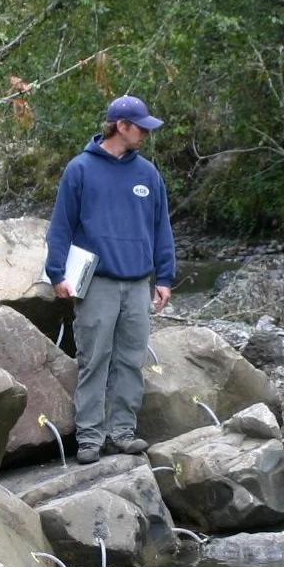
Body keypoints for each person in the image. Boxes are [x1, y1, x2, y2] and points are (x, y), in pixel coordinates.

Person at [43, 95, 176, 463]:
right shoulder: (80, 170)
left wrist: (164, 277)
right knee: (94, 358)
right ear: (121, 126)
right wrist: (56, 273)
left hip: (137, 283)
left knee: (131, 360)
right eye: (141, 126)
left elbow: (161, 228)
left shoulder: (149, 175)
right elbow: (61, 227)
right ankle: (89, 438)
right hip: (96, 283)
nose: (146, 133)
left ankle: (121, 433)